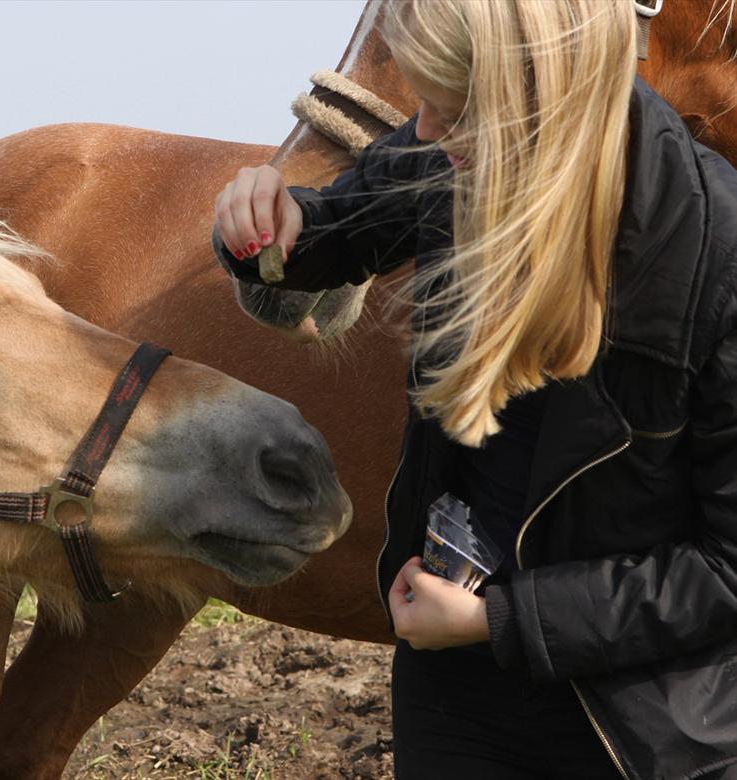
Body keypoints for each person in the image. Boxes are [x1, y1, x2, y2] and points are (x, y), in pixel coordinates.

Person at [212, 1, 737, 779]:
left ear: (545, 95)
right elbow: (327, 232)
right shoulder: (451, 158)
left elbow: (726, 570)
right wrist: (258, 226)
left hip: (641, 732)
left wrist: (502, 619)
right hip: (454, 699)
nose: (419, 131)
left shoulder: (717, 251)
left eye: (452, 106)